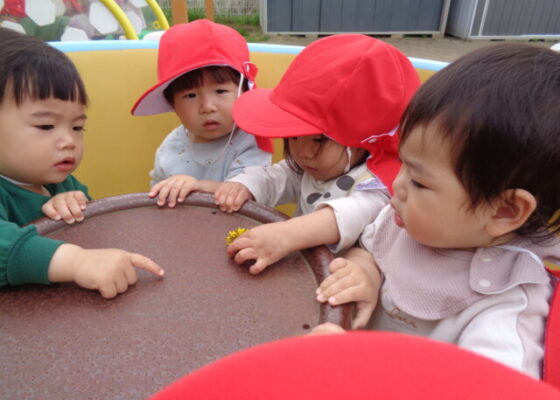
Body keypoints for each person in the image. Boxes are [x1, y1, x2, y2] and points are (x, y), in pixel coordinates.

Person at [314, 44, 560, 378]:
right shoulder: (405, 220)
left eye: (419, 181)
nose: (397, 185)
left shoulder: (504, 307)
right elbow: (369, 248)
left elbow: (486, 397)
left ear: (504, 210)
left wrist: (356, 371)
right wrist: (365, 271)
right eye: (403, 164)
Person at [214, 34, 420, 328]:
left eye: (319, 140)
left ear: (365, 141)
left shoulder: (378, 183)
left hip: (347, 299)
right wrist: (243, 185)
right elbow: (277, 176)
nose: (304, 152)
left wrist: (285, 235)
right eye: (293, 136)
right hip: (304, 276)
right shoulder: (312, 165)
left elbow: (348, 214)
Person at [0, 27, 164, 298]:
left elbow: (93, 233)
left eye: (77, 127)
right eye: (45, 126)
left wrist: (78, 205)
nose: (69, 141)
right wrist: (75, 261)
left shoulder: (60, 183)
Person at [131, 19, 273, 208]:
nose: (207, 107)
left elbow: (250, 192)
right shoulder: (171, 146)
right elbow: (157, 193)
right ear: (173, 104)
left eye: (220, 91)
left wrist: (198, 187)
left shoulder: (249, 142)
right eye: (190, 95)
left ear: (244, 92)